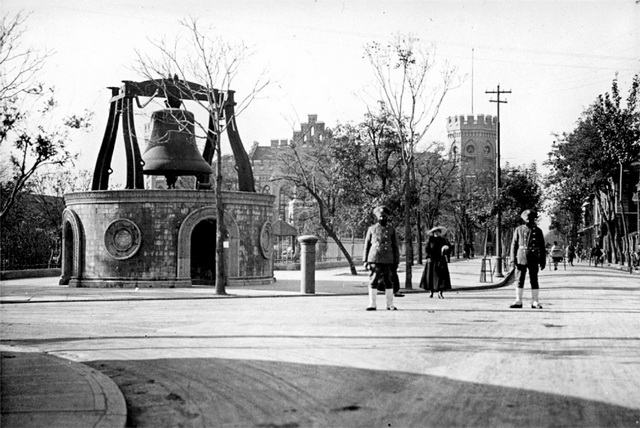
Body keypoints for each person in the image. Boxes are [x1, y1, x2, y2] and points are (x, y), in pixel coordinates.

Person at [363, 205, 400, 311]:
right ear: (377, 217)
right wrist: (365, 261)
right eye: (380, 217)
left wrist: (396, 261)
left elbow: (395, 246)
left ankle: (390, 304)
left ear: (387, 217)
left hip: (388, 259)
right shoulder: (371, 229)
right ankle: (372, 304)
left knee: (389, 281)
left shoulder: (392, 230)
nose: (382, 218)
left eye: (384, 217)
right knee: (373, 280)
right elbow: (367, 246)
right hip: (375, 258)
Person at [509, 209, 546, 309]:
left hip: (533, 257)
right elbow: (514, 245)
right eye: (527, 219)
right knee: (519, 279)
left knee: (534, 279)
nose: (529, 221)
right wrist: (512, 259)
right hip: (521, 257)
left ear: (534, 219)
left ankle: (535, 301)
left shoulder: (538, 231)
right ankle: (518, 300)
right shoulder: (519, 229)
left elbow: (542, 247)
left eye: (531, 219)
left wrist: (543, 260)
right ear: (524, 220)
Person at [419, 226, 451, 298]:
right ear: (433, 233)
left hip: (441, 260)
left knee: (441, 277)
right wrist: (428, 257)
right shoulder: (430, 240)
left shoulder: (443, 240)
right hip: (432, 261)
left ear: (440, 233)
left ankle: (440, 292)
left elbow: (448, 249)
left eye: (438, 232)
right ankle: (431, 292)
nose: (436, 233)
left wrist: (446, 249)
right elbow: (427, 249)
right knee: (431, 277)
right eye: (435, 232)